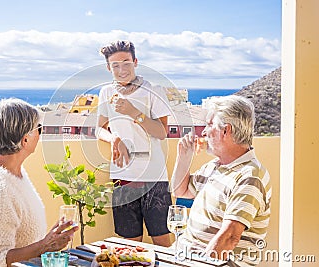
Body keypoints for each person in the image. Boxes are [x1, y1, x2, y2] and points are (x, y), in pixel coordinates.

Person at [0, 98, 78, 267]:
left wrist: (50, 242)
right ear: (25, 140)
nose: (41, 133)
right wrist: (45, 245)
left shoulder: (5, 168)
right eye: (38, 128)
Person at [171, 95, 271, 266]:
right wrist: (183, 158)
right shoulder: (215, 166)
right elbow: (180, 191)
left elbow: (229, 238)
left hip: (212, 262)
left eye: (209, 124)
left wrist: (198, 264)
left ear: (226, 130)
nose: (203, 132)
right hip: (186, 255)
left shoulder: (249, 177)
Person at [96, 40, 172, 247]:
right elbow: (98, 129)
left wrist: (133, 112)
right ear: (108, 67)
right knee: (129, 244)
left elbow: (162, 132)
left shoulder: (153, 90)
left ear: (135, 62)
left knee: (162, 240)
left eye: (126, 62)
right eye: (115, 65)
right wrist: (114, 139)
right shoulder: (105, 93)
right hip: (122, 176)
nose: (122, 70)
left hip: (154, 177)